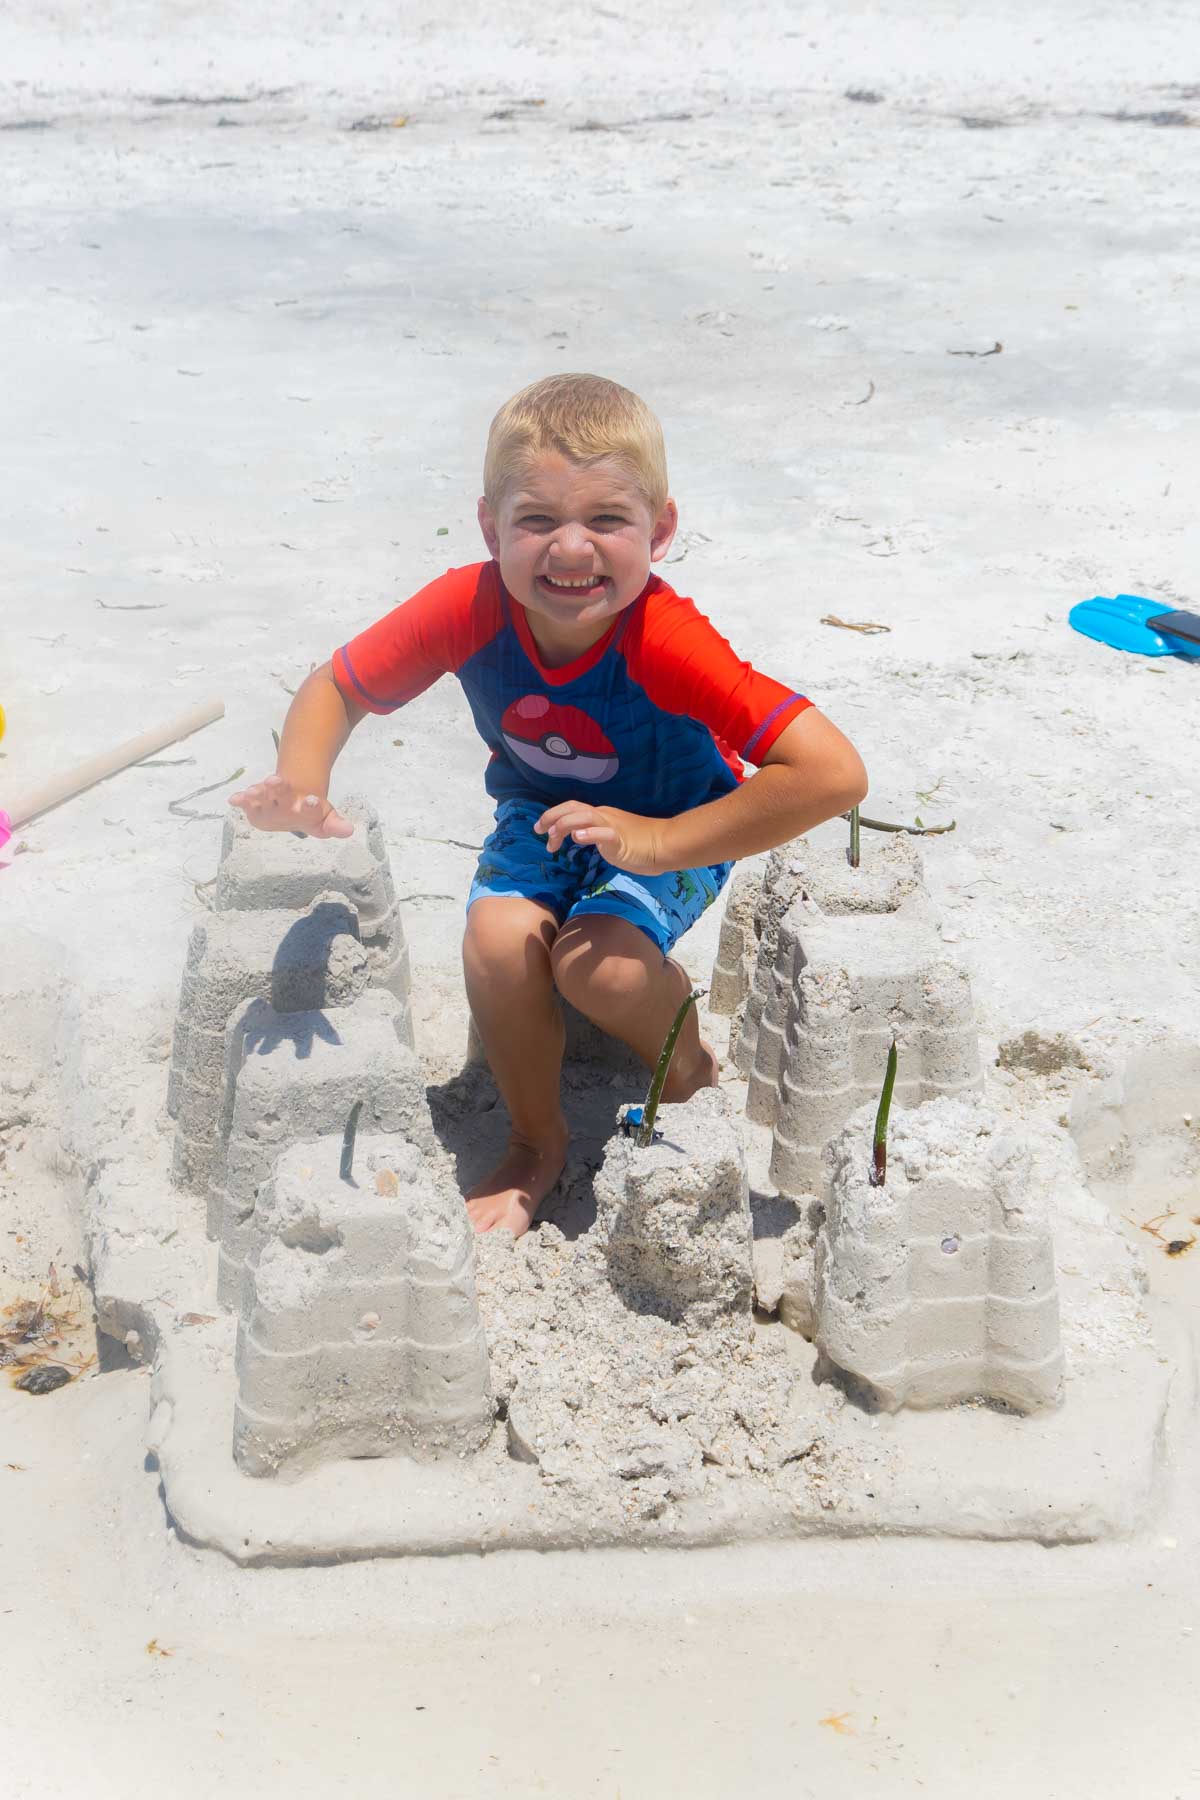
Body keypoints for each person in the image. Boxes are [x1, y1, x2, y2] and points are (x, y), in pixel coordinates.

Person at [230, 373, 867, 1236]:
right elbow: (336, 688)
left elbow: (832, 773)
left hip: (677, 823)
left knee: (596, 965)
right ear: (491, 526)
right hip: (539, 814)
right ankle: (536, 1140)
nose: (571, 550)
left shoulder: (665, 641)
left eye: (607, 520)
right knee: (497, 944)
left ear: (662, 530)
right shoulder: (468, 606)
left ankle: (688, 1083)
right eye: (537, 521)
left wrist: (657, 840)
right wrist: (304, 784)